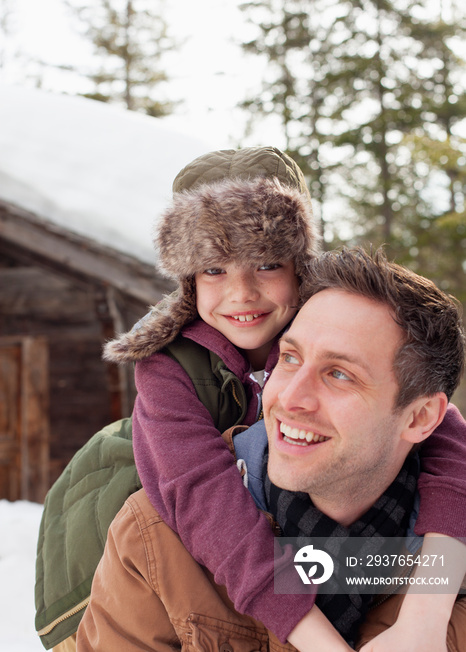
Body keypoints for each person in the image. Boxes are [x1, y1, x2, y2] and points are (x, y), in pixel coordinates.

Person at [35, 149, 466, 651]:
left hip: (318, 525)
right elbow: (203, 501)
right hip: (176, 501)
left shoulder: (341, 322)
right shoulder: (170, 366)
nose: (242, 293)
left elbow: (444, 436)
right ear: (188, 277)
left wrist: (427, 612)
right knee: (149, 534)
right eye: (214, 269)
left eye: (265, 264)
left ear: (300, 266)